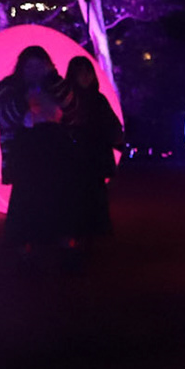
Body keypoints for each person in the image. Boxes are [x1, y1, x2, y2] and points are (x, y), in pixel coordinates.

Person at [0, 45, 80, 253]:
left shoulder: (58, 85)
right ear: (21, 67)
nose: (35, 71)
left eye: (40, 66)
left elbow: (71, 107)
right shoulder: (7, 88)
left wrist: (52, 81)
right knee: (25, 196)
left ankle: (62, 241)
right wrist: (23, 103)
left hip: (55, 150)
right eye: (30, 66)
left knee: (59, 195)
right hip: (24, 150)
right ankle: (24, 245)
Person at [65, 56, 123, 240]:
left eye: (87, 72)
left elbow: (112, 125)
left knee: (95, 195)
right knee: (78, 197)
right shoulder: (68, 100)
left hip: (95, 157)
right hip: (76, 158)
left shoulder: (98, 99)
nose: (85, 76)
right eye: (80, 72)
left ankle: (96, 233)